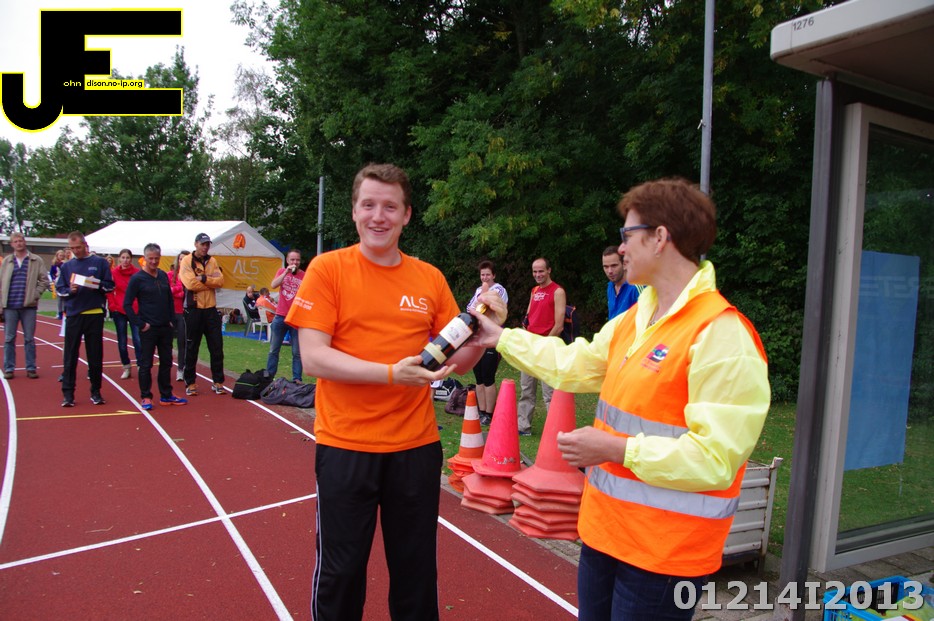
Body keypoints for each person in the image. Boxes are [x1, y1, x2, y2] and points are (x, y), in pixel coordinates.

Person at [470, 178, 770, 621]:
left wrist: (615, 449)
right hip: (604, 536)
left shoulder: (722, 335)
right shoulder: (637, 319)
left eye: (627, 235)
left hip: (663, 558)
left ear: (660, 237)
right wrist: (500, 337)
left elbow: (715, 459)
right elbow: (573, 364)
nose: (621, 249)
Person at [288, 163, 502, 621]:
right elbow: (314, 358)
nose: (378, 216)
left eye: (390, 206)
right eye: (368, 205)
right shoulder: (328, 269)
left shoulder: (428, 278)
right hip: (346, 445)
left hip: (414, 448)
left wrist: (486, 333)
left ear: (406, 215)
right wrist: (390, 374)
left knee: (415, 574)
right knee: (341, 573)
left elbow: (456, 361)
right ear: (354, 211)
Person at [123, 243, 188, 410]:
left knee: (166, 362)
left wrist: (171, 320)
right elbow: (127, 304)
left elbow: (169, 299)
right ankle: (146, 396)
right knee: (146, 364)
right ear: (144, 258)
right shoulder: (137, 279)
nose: (153, 262)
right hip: (148, 328)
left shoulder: (163, 275)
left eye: (156, 259)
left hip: (165, 327)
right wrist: (140, 323)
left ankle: (166, 394)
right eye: (150, 258)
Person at [56, 231, 116, 407]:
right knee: (70, 355)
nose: (76, 251)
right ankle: (68, 394)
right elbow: (60, 289)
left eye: (78, 247)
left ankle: (96, 391)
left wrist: (96, 284)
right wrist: (70, 290)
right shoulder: (67, 266)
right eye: (72, 248)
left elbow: (110, 286)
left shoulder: (99, 263)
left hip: (94, 314)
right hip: (74, 315)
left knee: (95, 355)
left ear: (85, 245)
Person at [517, 257, 566, 436]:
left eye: (541, 271)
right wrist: (525, 339)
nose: (538, 274)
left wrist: (543, 345)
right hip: (530, 347)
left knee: (549, 393)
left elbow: (559, 325)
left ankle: (554, 430)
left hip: (547, 347)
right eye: (535, 271)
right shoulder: (534, 290)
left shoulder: (557, 291)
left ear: (549, 270)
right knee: (526, 389)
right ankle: (523, 426)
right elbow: (528, 318)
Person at [179, 233, 225, 396]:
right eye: (203, 244)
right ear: (196, 244)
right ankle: (190, 382)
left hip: (210, 309)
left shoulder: (213, 261)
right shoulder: (186, 261)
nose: (205, 247)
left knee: (217, 347)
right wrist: (210, 283)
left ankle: (218, 381)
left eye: (207, 244)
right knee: (192, 347)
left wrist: (204, 278)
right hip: (194, 309)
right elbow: (190, 284)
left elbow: (220, 281)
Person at [1, 232, 50, 379]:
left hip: (28, 306)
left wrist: (35, 294)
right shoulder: (7, 261)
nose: (19, 243)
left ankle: (31, 368)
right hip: (10, 306)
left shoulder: (36, 260)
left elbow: (44, 280)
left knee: (29, 338)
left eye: (20, 240)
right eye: (15, 241)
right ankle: (9, 368)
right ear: (11, 244)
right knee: (9, 338)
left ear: (25, 242)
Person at [465, 260, 508, 426]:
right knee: (479, 377)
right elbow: (470, 309)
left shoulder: (499, 289)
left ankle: (489, 413)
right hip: (478, 338)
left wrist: (478, 306)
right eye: (482, 275)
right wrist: (477, 306)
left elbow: (487, 307)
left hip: (492, 338)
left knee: (488, 376)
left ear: (493, 275)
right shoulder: (478, 290)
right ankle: (481, 411)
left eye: (488, 275)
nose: (485, 278)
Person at [265, 249, 305, 381]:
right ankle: (269, 377)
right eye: (292, 259)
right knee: (273, 349)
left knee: (297, 352)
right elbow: (273, 285)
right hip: (280, 316)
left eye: (297, 260)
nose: (295, 262)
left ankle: (297, 379)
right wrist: (286, 272)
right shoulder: (282, 272)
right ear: (287, 260)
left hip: (296, 318)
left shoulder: (304, 275)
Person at [108, 248, 142, 380]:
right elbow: (110, 291)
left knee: (137, 339)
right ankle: (126, 366)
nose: (125, 260)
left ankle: (140, 365)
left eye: (127, 258)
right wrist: (113, 306)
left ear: (131, 259)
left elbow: (141, 291)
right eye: (123, 257)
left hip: (135, 309)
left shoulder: (137, 273)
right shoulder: (114, 273)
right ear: (119, 259)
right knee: (122, 341)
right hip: (119, 310)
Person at [167, 251, 190, 382]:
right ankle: (166, 367)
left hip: (183, 313)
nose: (182, 261)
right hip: (171, 312)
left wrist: (177, 290)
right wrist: (179, 289)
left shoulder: (190, 276)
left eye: (185, 259)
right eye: (181, 259)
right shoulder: (170, 275)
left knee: (182, 342)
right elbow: (167, 291)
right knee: (167, 342)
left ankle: (181, 369)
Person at [603, 245, 641, 320]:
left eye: (614, 266)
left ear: (624, 264)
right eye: (606, 267)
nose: (609, 271)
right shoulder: (610, 286)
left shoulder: (636, 287)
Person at [49, 249, 66, 319]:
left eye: (62, 256)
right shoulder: (54, 264)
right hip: (57, 282)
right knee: (59, 299)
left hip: (64, 282)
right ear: (57, 256)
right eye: (60, 255)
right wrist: (54, 278)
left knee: (64, 298)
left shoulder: (65, 263)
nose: (61, 257)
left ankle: (64, 313)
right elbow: (51, 273)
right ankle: (59, 313)